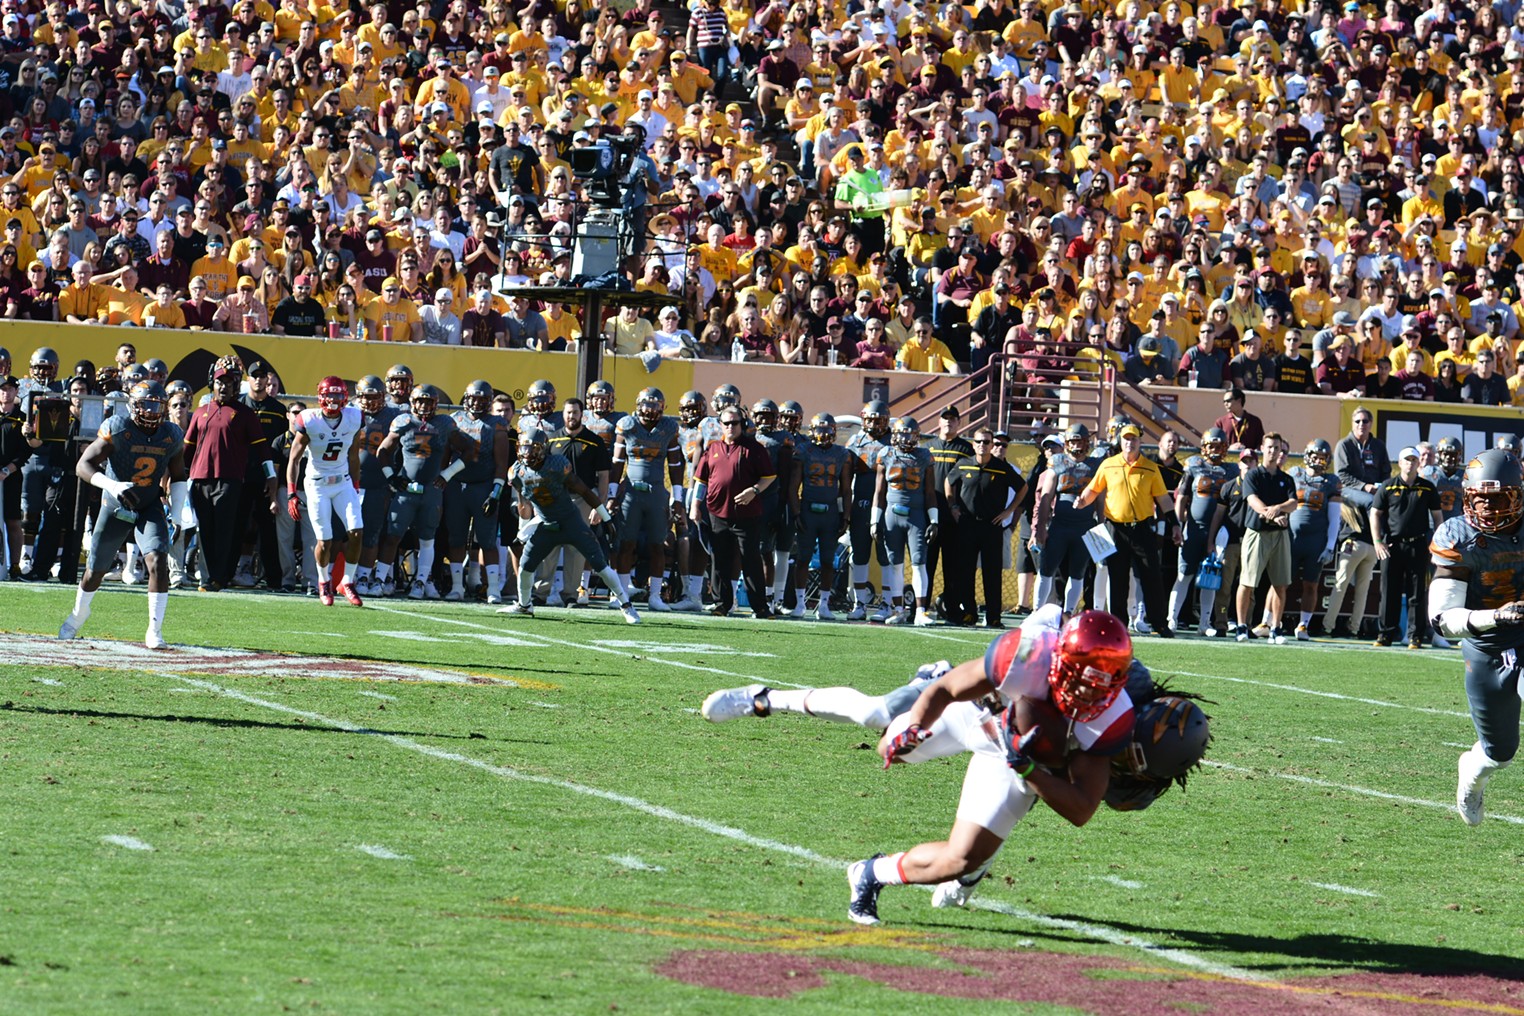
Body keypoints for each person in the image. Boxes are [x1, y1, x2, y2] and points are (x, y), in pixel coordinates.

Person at [843, 609, 1137, 925]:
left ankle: (870, 873)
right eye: (1079, 680)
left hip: (1016, 755)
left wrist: (1026, 767)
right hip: (979, 712)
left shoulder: (1114, 716)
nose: (1086, 694)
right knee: (889, 748)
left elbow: (1081, 809)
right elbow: (946, 689)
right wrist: (916, 726)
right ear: (1058, 657)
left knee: (961, 859)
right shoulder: (1027, 652)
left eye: (1099, 687)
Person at [1428, 450, 1524, 826]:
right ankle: (1472, 773)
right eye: (1479, 498)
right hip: (1485, 642)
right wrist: (1495, 616)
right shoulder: (1457, 535)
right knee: (1500, 751)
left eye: (1498, 498)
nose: (1488, 509)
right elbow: (1442, 620)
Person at [58, 380, 187, 649]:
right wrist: (113, 486)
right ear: (133, 405)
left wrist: (177, 514)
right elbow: (83, 465)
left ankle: (154, 630)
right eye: (146, 405)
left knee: (158, 561)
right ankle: (78, 614)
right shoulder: (119, 428)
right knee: (95, 571)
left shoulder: (171, 434)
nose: (151, 412)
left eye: (157, 405)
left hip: (149, 503)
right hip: (116, 504)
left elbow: (178, 476)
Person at [500, 426, 639, 625]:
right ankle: (524, 605)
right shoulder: (516, 472)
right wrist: (523, 526)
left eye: (532, 449)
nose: (527, 453)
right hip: (546, 525)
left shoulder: (557, 465)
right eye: (523, 448)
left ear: (542, 449)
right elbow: (525, 507)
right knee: (525, 567)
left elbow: (584, 491)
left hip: (570, 522)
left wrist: (605, 518)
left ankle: (626, 605)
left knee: (600, 565)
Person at [182, 356, 277, 592]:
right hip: (200, 479)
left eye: (228, 383)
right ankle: (206, 578)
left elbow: (262, 450)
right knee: (204, 529)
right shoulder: (200, 412)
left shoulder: (245, 414)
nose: (223, 386)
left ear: (236, 386)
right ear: (212, 385)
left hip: (230, 480)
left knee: (224, 529)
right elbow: (187, 449)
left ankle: (218, 577)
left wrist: (272, 477)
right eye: (219, 382)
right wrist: (175, 478)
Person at [1074, 422, 1176, 637]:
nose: (1130, 442)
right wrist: (1081, 502)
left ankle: (1159, 623)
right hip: (1115, 528)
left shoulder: (1150, 467)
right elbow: (1093, 489)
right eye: (1126, 439)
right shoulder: (1108, 464)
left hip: (1142, 528)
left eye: (1134, 439)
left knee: (1152, 576)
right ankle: (1118, 625)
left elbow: (1163, 499)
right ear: (1120, 441)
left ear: (1140, 441)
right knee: (1117, 578)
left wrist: (1174, 523)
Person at [690, 402, 776, 619]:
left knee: (751, 560)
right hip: (717, 512)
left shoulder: (754, 449)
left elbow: (769, 477)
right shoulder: (713, 448)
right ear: (720, 425)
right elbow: (701, 479)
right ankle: (721, 604)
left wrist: (753, 491)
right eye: (726, 423)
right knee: (719, 560)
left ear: (742, 424)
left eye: (735, 423)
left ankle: (760, 607)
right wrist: (695, 505)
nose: (730, 427)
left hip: (746, 514)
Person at [285, 375, 365, 607]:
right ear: (320, 396)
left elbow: (353, 455)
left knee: (357, 532)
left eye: (338, 395)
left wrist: (356, 487)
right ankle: (323, 581)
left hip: (343, 482)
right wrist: (292, 492)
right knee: (325, 540)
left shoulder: (353, 418)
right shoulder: (309, 419)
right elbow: (294, 459)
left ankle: (347, 582)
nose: (333, 400)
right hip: (317, 484)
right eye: (329, 395)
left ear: (345, 398)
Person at [607, 387, 685, 611]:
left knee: (657, 545)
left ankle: (655, 596)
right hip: (631, 492)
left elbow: (675, 465)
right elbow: (617, 462)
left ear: (662, 408)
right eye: (646, 405)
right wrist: (612, 495)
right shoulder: (628, 425)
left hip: (657, 493)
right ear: (637, 405)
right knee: (625, 544)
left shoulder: (669, 427)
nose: (650, 411)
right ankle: (622, 595)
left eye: (655, 406)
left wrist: (677, 499)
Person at [945, 426, 1025, 629]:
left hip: (991, 526)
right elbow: (949, 481)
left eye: (987, 442)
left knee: (992, 573)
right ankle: (969, 613)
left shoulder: (1001, 467)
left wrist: (1009, 511)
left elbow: (1023, 488)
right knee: (965, 571)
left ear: (991, 445)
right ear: (973, 444)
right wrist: (952, 505)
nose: (983, 445)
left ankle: (993, 616)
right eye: (979, 442)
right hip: (967, 526)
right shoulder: (964, 464)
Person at [443, 380, 512, 603]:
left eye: (483, 399)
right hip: (456, 485)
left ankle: (492, 588)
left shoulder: (497, 424)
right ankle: (456, 587)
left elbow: (501, 464)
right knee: (456, 538)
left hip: (483, 485)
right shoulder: (455, 421)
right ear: (466, 398)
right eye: (474, 398)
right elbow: (445, 456)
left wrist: (496, 492)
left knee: (487, 539)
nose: (477, 403)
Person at [1371, 447, 1443, 649]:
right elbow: (1375, 513)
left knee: (1417, 593)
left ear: (1419, 462)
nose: (1410, 463)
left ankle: (1415, 636)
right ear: (1399, 462)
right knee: (1389, 592)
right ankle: (1385, 634)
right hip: (1392, 546)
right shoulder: (1387, 487)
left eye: (1414, 459)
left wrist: (1437, 545)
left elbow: (1438, 517)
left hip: (1419, 545)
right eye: (1406, 459)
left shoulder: (1428, 488)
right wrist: (1378, 541)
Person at [1168, 428, 1235, 637]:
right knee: (1183, 574)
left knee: (1210, 578)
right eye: (1211, 446)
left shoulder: (1231, 470)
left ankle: (1204, 623)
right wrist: (1178, 524)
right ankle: (1172, 618)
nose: (1215, 450)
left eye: (1218, 446)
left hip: (1217, 534)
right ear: (1204, 447)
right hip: (1194, 530)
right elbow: (1182, 498)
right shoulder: (1195, 466)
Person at [1031, 423, 1102, 615]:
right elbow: (1046, 496)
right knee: (1046, 570)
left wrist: (1102, 527)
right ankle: (1036, 612)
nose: (1077, 445)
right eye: (1073, 441)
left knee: (1078, 573)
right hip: (1059, 526)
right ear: (1067, 443)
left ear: (1088, 442)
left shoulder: (1096, 464)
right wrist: (1040, 528)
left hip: (1085, 527)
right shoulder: (1057, 461)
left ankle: (1069, 612)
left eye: (1081, 440)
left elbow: (1101, 500)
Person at [1234, 433, 1297, 644]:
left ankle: (1275, 629)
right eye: (1269, 447)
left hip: (1280, 536)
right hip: (1257, 533)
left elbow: (1293, 503)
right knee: (1247, 582)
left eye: (1277, 448)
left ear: (1281, 451)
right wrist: (1271, 514)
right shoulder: (1253, 476)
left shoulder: (1286, 479)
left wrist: (1278, 509)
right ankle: (1242, 626)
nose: (1273, 451)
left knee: (1280, 584)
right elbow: (1252, 500)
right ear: (1262, 448)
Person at [787, 411, 851, 620]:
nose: (823, 435)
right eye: (820, 430)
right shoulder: (803, 450)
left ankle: (824, 605)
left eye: (827, 431)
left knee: (827, 560)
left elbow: (846, 488)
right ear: (812, 431)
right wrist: (796, 513)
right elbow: (793, 485)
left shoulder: (842, 453)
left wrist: (845, 516)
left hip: (830, 511)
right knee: (803, 557)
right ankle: (799, 603)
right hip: (808, 509)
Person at [1285, 439, 1341, 641]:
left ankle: (1303, 625)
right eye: (1315, 456)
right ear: (1308, 456)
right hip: (1291, 540)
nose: (1318, 460)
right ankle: (1270, 621)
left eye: (1323, 457)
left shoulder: (1331, 482)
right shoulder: (1294, 474)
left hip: (1315, 542)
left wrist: (1330, 546)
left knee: (1311, 585)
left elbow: (1334, 518)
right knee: (1280, 583)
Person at [926, 406, 974, 623]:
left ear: (959, 423)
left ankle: (952, 610)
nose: (948, 422)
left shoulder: (966, 449)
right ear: (939, 421)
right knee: (925, 564)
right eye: (945, 418)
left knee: (952, 568)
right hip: (930, 517)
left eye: (953, 419)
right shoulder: (928, 448)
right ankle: (920, 609)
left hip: (954, 518)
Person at [845, 400, 891, 619]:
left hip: (887, 504)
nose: (873, 424)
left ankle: (888, 603)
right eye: (870, 419)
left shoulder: (894, 440)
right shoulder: (855, 441)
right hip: (861, 502)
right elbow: (846, 479)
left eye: (878, 420)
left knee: (887, 556)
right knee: (860, 555)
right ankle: (859, 603)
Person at [1334, 406, 1389, 511]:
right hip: (1349, 489)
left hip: (1375, 489)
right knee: (1372, 502)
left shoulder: (1379, 445)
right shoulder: (1344, 445)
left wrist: (1381, 487)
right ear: (1352, 424)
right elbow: (1342, 475)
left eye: (1365, 421)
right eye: (1357, 421)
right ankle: (1374, 528)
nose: (1361, 424)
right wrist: (1364, 486)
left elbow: (1386, 472)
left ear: (1371, 423)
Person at [1212, 387, 1264, 452]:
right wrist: (1229, 448)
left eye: (1228, 401)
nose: (1225, 404)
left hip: (1249, 460)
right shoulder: (1220, 422)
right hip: (1227, 459)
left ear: (1239, 400)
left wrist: (1251, 451)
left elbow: (1261, 444)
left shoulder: (1254, 421)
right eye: (1224, 402)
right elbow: (1214, 444)